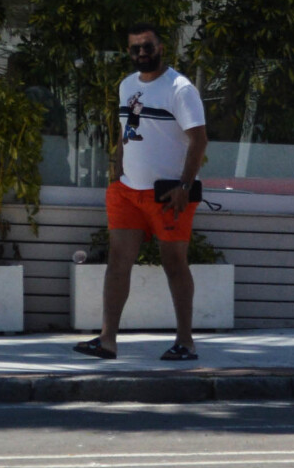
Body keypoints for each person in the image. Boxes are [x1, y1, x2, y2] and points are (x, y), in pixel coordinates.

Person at [77, 21, 209, 362]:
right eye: (135, 47)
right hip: (127, 192)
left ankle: (185, 342)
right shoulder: (126, 86)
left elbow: (199, 139)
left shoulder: (180, 88)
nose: (141, 53)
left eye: (147, 46)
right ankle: (107, 340)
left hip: (167, 194)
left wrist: (184, 185)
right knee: (118, 262)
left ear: (161, 47)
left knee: (174, 262)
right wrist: (117, 173)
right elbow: (126, 133)